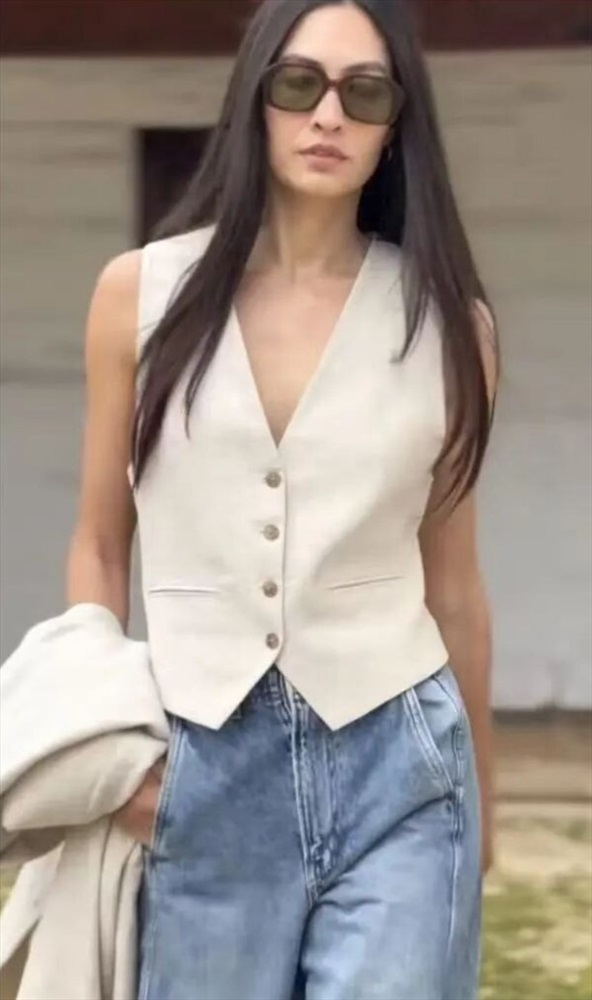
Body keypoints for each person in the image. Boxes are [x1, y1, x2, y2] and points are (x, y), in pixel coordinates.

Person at [66, 1, 499, 997]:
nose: (328, 115)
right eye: (299, 84)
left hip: (403, 768)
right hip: (202, 767)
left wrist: (481, 802)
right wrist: (114, 755)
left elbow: (455, 584)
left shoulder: (451, 325)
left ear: (396, 124)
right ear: (255, 100)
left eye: (365, 93)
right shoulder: (138, 296)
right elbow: (99, 546)